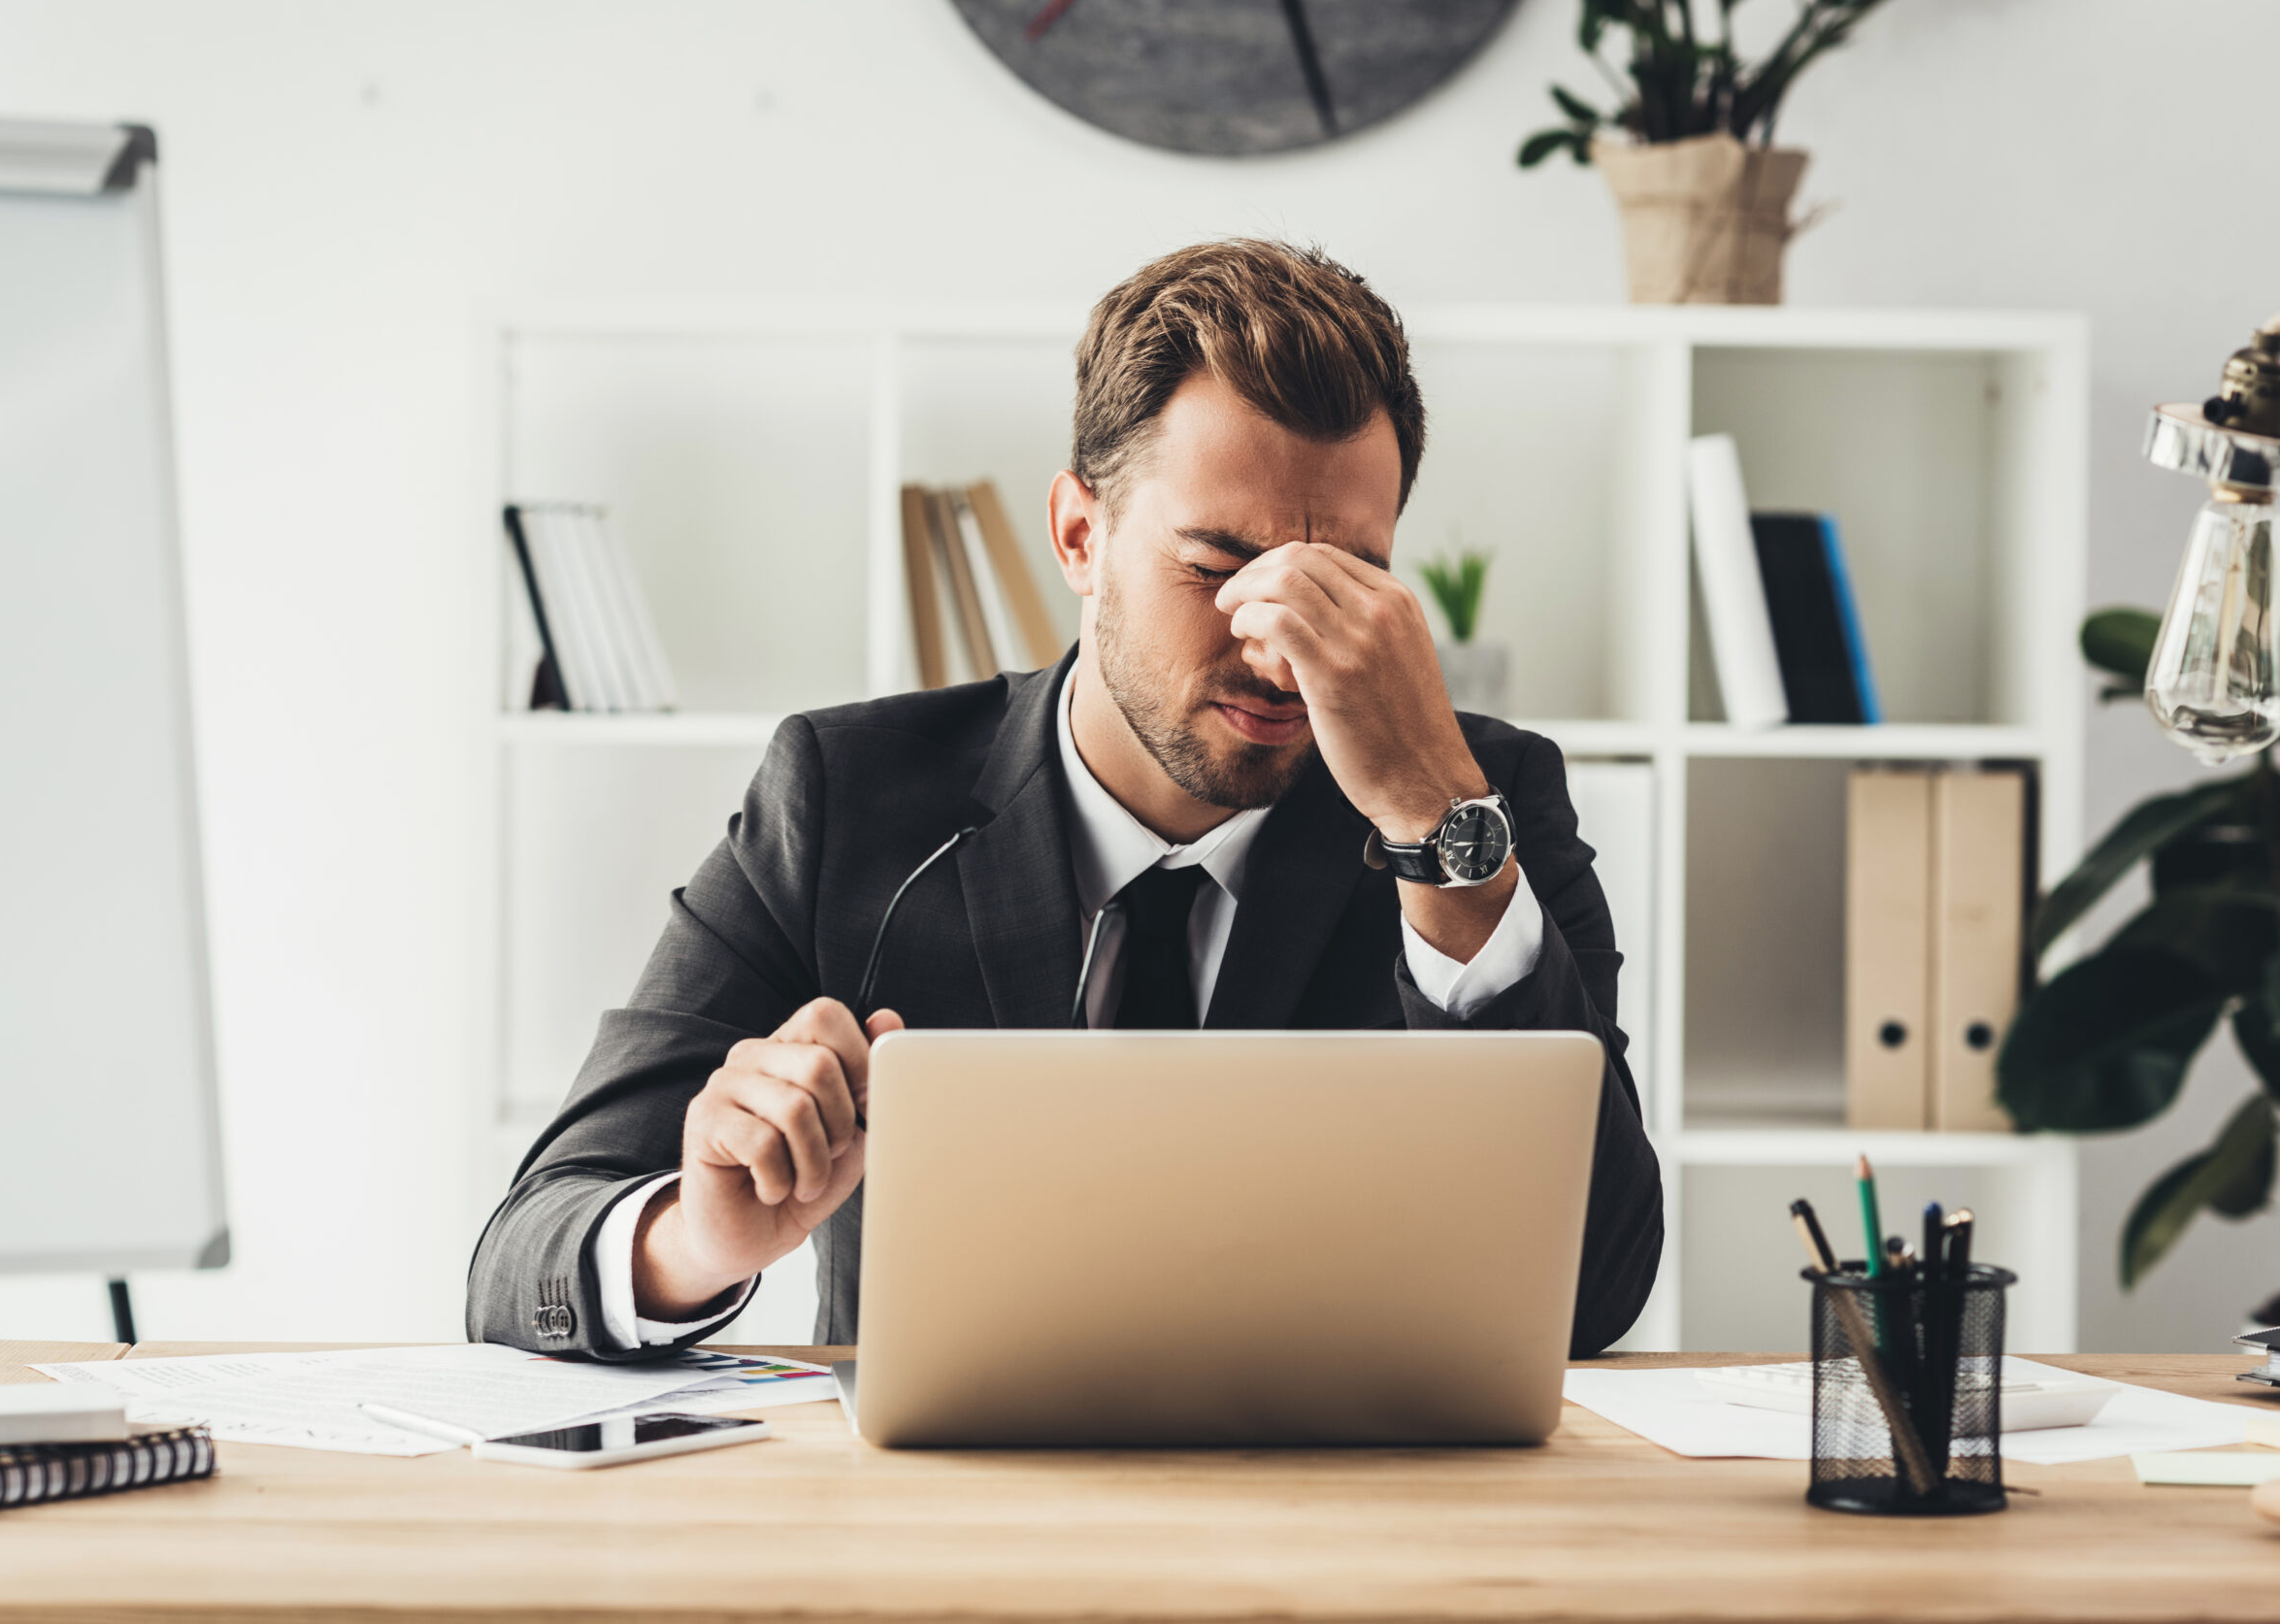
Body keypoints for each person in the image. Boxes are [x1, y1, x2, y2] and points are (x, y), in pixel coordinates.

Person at [468, 240, 1664, 1361]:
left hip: (1336, 1495)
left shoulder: (1477, 804)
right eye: (1218, 568)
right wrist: (694, 1239)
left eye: (1341, 586)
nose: (1278, 650)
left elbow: (1595, 1291)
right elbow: (521, 1257)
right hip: (942, 1504)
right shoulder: (846, 795)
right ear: (1080, 535)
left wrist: (1434, 825)